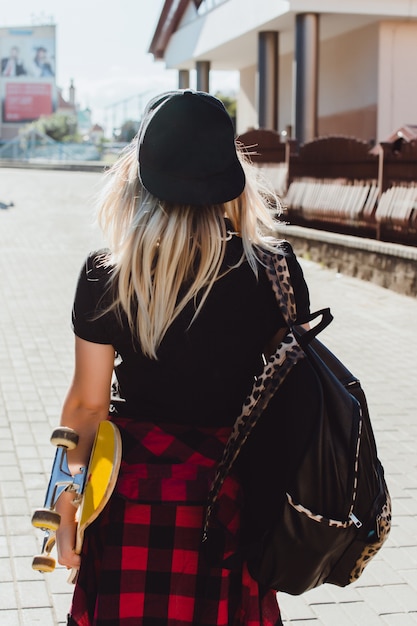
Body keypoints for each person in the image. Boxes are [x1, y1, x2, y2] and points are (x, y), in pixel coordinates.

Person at [55, 89, 315, 626]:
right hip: (235, 507)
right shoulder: (275, 272)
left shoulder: (109, 274)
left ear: (136, 175)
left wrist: (64, 508)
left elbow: (86, 408)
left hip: (131, 502)